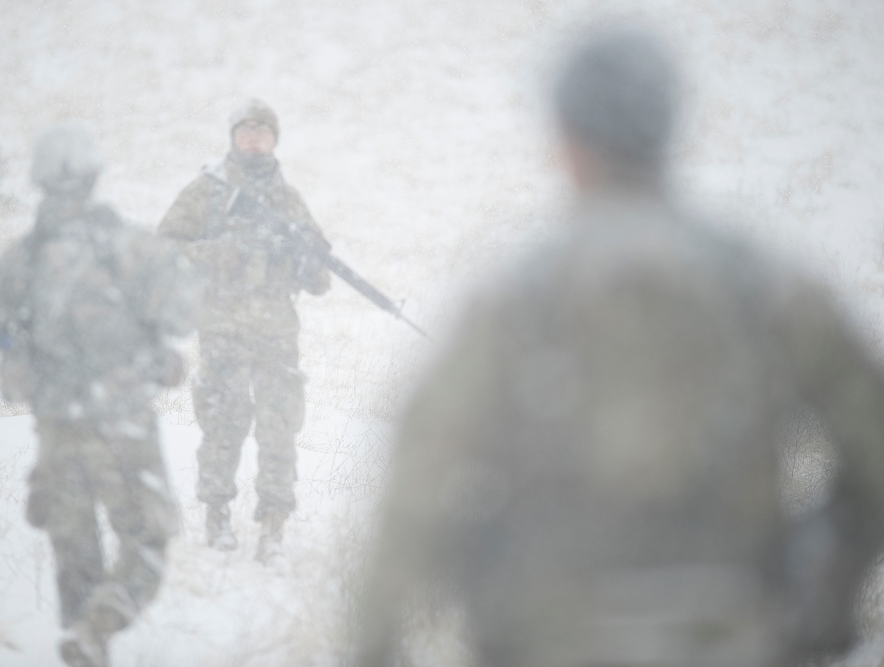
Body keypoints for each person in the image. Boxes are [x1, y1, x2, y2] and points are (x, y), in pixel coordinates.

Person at [354, 24, 884, 667]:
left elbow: (419, 478)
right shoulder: (769, 283)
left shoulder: (515, 296)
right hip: (736, 634)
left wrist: (375, 643)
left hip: (551, 639)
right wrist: (823, 591)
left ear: (567, 140)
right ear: (669, 128)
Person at [0, 121, 196, 667]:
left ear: (40, 181)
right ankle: (97, 628)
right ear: (93, 177)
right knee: (147, 542)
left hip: (59, 431)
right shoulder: (133, 247)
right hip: (125, 427)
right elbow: (182, 314)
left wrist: (17, 323)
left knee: (75, 554)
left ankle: (85, 639)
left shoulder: (23, 260)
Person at [158, 99, 330, 563]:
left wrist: (304, 256)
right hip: (223, 331)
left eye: (263, 132)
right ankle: (217, 517)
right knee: (223, 424)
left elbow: (321, 280)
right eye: (246, 131)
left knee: (279, 428)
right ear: (233, 138)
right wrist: (223, 252)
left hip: (277, 336)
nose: (254, 139)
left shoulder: (288, 200)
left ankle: (273, 524)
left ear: (275, 140)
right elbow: (164, 251)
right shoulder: (206, 192)